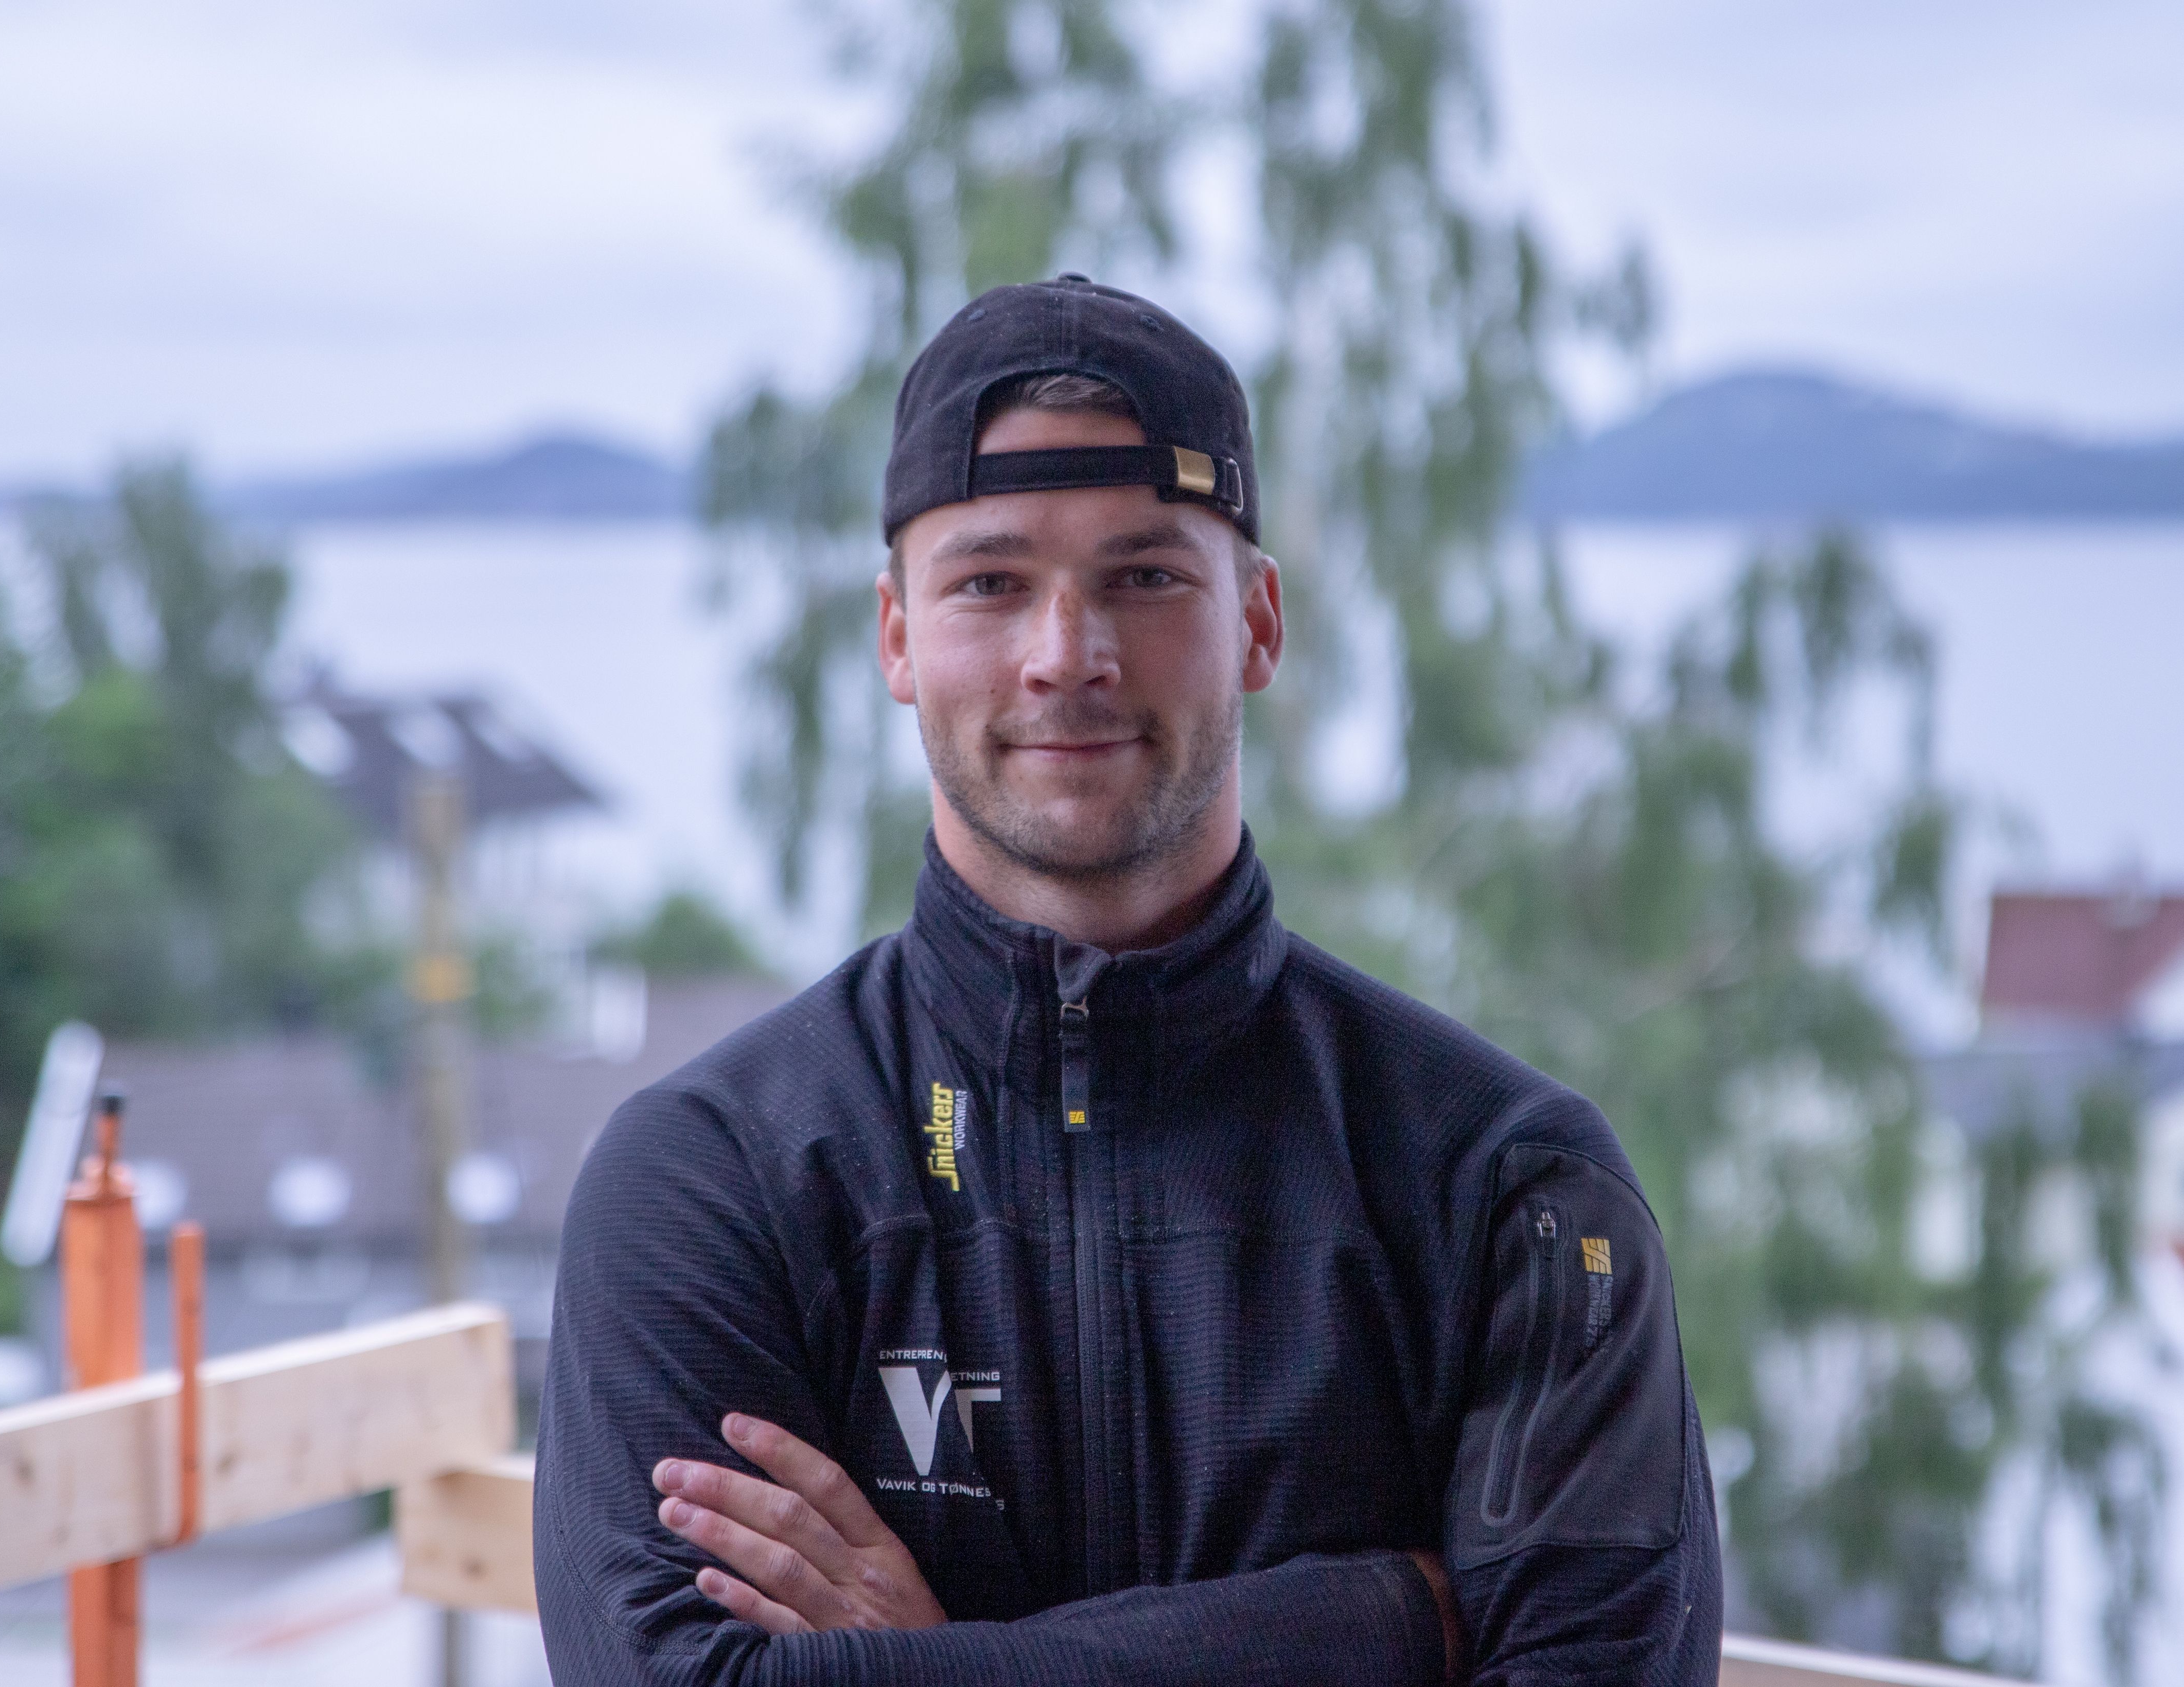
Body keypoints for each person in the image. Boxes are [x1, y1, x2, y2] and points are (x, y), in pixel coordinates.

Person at [533, 274, 1722, 1685]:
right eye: (991, 582)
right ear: (898, 635)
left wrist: (934, 1667)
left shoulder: (1512, 1194)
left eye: (1145, 577)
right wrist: (1372, 1630)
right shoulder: (711, 1182)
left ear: (1260, 621)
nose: (1068, 657)